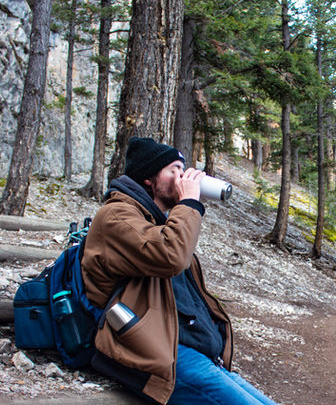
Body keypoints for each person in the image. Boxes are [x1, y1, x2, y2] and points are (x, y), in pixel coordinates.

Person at [81, 137, 277, 405]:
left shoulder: (155, 220)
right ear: (149, 178)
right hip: (154, 352)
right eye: (173, 169)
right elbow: (171, 256)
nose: (182, 176)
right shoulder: (116, 216)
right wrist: (189, 203)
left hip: (181, 346)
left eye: (182, 169)